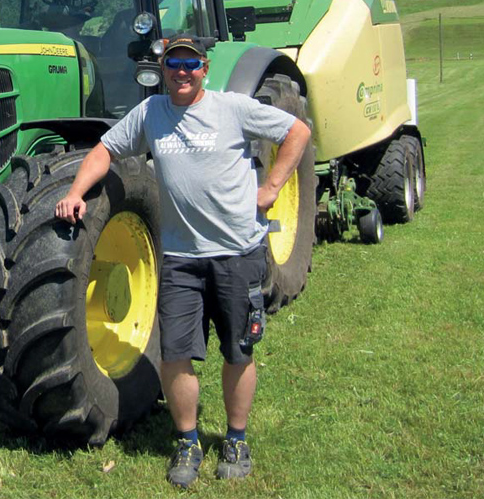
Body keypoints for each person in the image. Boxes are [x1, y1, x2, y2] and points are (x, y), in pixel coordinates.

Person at [54, 34, 311, 488]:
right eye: (174, 63)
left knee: (238, 351)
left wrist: (271, 187)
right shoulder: (150, 113)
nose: (182, 71)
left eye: (191, 63)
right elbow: (104, 150)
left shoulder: (232, 108)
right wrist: (76, 192)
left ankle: (236, 439)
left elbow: (297, 132)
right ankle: (188, 440)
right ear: (164, 70)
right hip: (179, 259)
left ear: (204, 68)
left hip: (236, 253)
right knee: (175, 355)